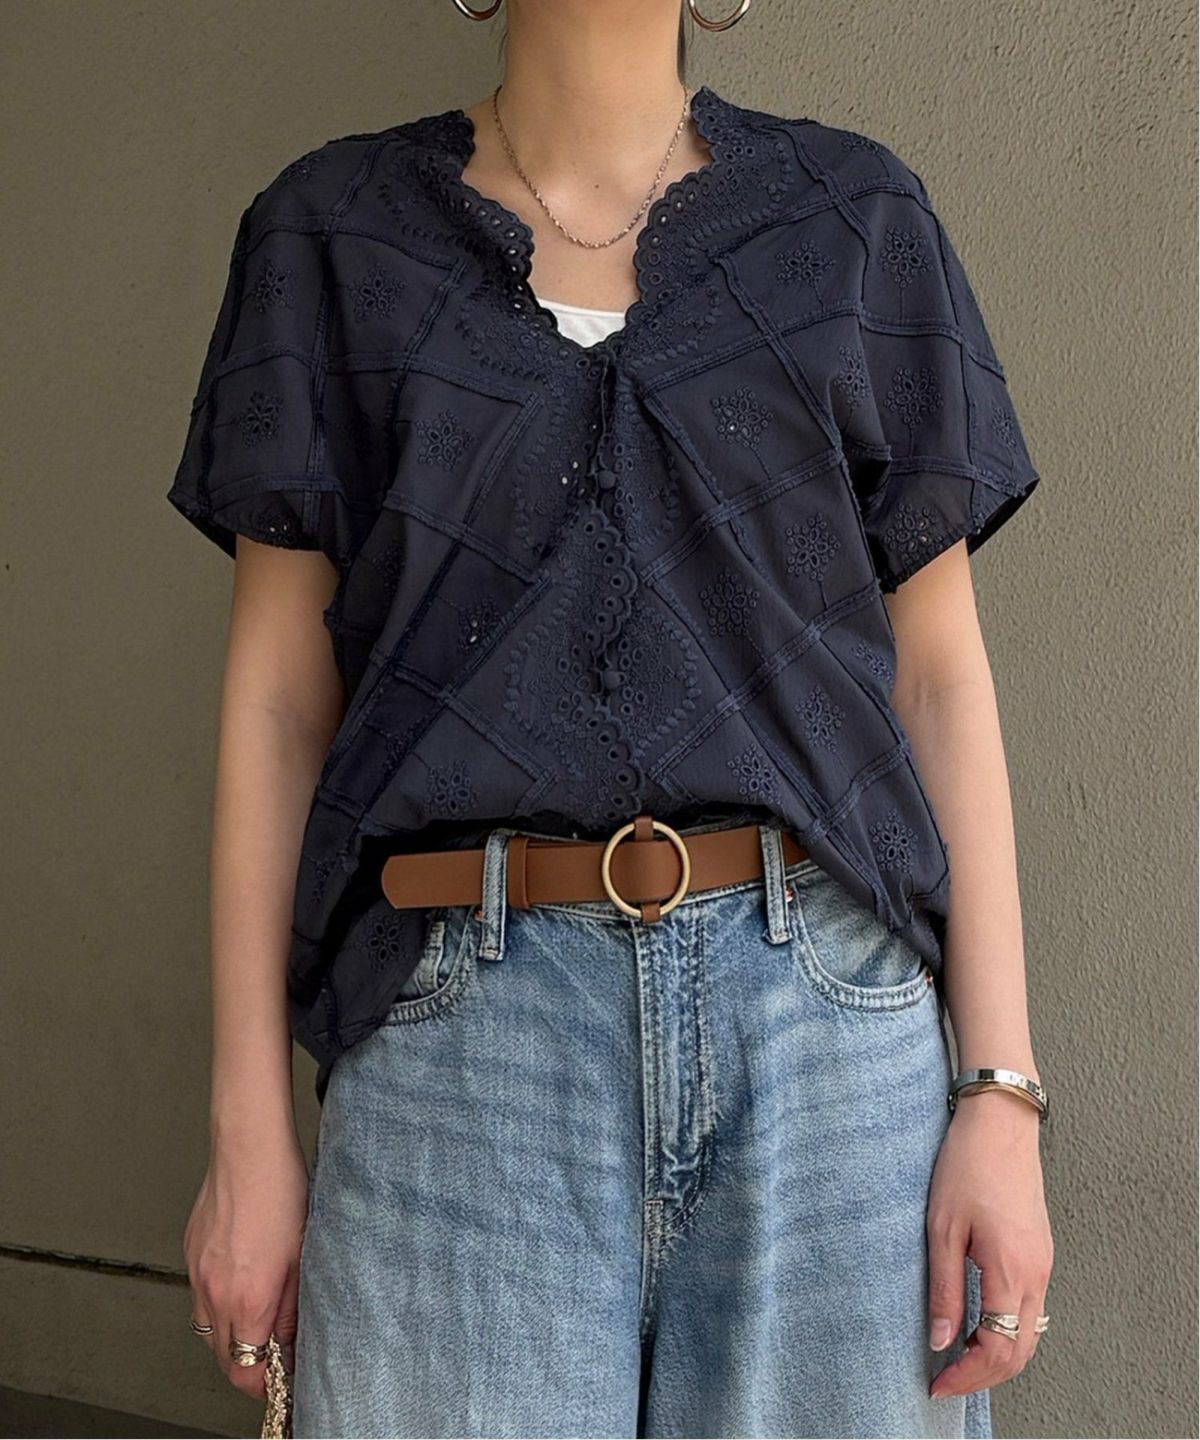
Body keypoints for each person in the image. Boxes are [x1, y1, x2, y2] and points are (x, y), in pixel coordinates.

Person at [174, 1, 1054, 1435]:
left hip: (830, 1052)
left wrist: (1000, 1096)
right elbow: (276, 707)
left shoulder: (855, 216)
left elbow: (940, 679)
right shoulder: (328, 236)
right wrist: (247, 1126)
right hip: (458, 1053)